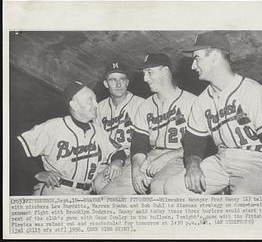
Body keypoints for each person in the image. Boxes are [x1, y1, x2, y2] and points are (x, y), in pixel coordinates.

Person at [164, 31, 262, 195]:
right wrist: (193, 165)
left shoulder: (253, 91)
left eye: (197, 58)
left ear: (214, 56)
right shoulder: (201, 102)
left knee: (242, 198)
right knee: (173, 187)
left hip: (255, 161)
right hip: (221, 160)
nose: (193, 66)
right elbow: (193, 142)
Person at [16, 80, 125, 195]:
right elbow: (14, 146)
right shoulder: (53, 127)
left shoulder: (98, 131)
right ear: (74, 105)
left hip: (86, 193)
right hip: (56, 190)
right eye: (90, 100)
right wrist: (36, 172)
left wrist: (117, 161)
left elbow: (118, 151)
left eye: (95, 100)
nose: (96, 105)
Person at [131, 53, 197, 194]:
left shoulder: (193, 102)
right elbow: (139, 146)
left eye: (149, 72)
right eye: (144, 73)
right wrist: (136, 171)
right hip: (152, 156)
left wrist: (168, 156)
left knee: (158, 187)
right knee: (111, 190)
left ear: (165, 71)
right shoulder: (145, 105)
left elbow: (203, 144)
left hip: (180, 157)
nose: (145, 79)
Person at [93, 61, 144, 194]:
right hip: (110, 158)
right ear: (106, 84)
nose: (118, 84)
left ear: (127, 82)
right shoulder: (99, 108)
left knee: (107, 192)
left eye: (122, 79)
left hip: (134, 157)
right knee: (97, 184)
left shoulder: (141, 104)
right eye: (113, 80)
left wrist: (122, 161)